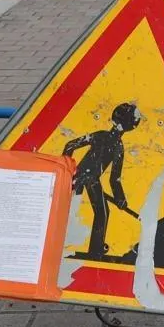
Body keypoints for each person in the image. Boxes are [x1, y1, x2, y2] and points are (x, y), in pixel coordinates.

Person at [62, 102, 142, 261]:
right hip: (88, 179)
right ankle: (95, 249)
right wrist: (120, 199)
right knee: (100, 213)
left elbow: (70, 145)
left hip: (80, 177)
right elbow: (115, 179)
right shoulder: (118, 146)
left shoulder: (101, 135)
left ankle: (93, 248)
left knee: (83, 210)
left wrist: (66, 170)